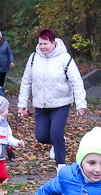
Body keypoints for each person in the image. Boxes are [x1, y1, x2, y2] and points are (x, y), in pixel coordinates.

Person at [17, 28, 86, 171]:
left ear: (53, 43)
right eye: (40, 44)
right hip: (41, 105)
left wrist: (81, 104)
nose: (42, 47)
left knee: (56, 133)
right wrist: (22, 104)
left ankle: (61, 167)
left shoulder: (64, 58)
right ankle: (59, 141)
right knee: (41, 136)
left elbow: (76, 81)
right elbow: (26, 81)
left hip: (61, 103)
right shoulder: (34, 58)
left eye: (45, 44)